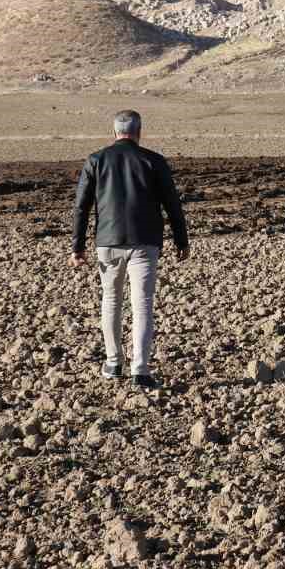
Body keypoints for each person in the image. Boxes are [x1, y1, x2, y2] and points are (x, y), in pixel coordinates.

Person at [71, 110, 190, 387]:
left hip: (107, 243)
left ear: (114, 132)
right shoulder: (154, 161)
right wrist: (181, 240)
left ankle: (114, 363)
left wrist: (77, 246)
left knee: (111, 302)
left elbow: (81, 207)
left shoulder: (96, 160)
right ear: (139, 132)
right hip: (144, 242)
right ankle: (141, 369)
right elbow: (172, 204)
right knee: (142, 305)